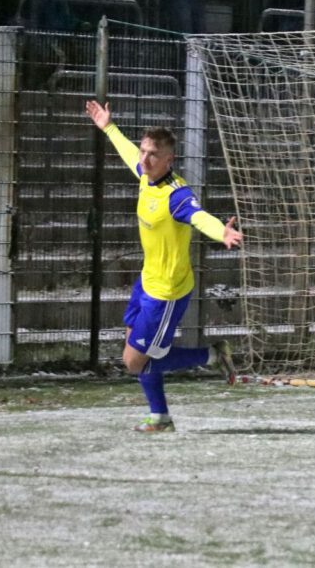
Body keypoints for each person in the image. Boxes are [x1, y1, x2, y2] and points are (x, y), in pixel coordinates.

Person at [85, 99, 242, 432]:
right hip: (146, 282)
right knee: (135, 347)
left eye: (153, 154)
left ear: (169, 159)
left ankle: (212, 356)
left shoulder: (177, 195)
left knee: (134, 362)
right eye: (144, 151)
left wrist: (221, 231)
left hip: (167, 292)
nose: (144, 158)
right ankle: (160, 416)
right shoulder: (145, 174)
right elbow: (129, 155)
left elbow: (198, 217)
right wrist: (109, 127)